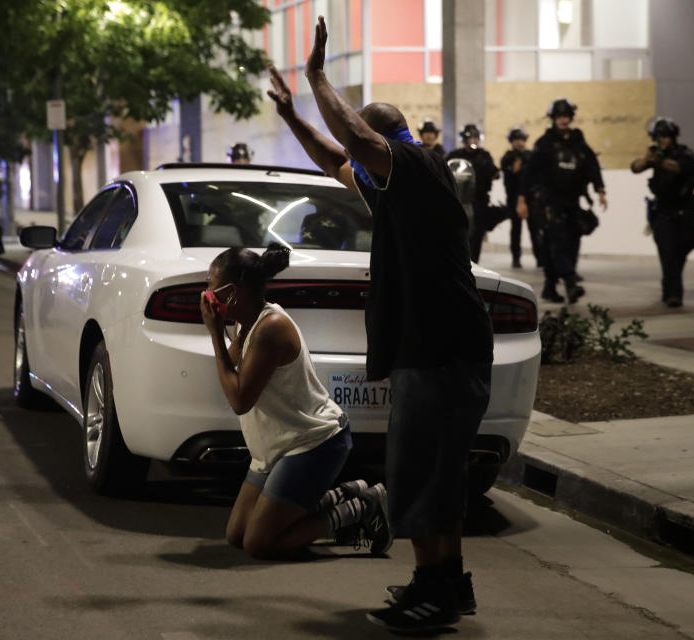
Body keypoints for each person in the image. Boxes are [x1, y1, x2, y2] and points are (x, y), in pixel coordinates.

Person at [267, 17, 493, 633]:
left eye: (373, 149)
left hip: (443, 353)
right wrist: (292, 118)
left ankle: (437, 596)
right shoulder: (394, 188)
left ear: (388, 143)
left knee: (421, 474)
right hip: (437, 352)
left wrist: (315, 77)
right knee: (431, 474)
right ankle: (442, 583)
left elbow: (356, 140)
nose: (360, 166)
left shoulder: (416, 167)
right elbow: (340, 158)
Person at [200, 244, 391, 560]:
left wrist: (214, 336)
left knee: (258, 543)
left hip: (312, 443)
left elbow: (239, 400)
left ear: (231, 292)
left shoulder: (270, 328)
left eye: (211, 287)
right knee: (237, 534)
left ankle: (361, 508)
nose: (206, 295)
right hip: (277, 445)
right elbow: (230, 372)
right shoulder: (246, 324)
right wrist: (222, 333)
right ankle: (345, 494)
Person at [516, 98, 606, 303]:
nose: (563, 120)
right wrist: (522, 200)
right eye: (559, 116)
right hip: (549, 201)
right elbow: (528, 173)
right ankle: (570, 281)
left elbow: (592, 164)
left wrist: (600, 189)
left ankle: (550, 286)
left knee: (571, 241)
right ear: (553, 119)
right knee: (556, 240)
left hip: (572, 200)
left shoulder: (578, 142)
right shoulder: (544, 143)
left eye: (566, 116)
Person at [631, 118, 694, 307]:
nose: (663, 140)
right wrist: (647, 159)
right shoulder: (656, 155)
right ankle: (674, 294)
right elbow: (635, 167)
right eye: (659, 136)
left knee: (679, 253)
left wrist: (658, 161)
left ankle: (669, 286)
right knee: (667, 252)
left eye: (666, 136)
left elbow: (678, 168)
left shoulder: (684, 153)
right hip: (663, 211)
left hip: (685, 211)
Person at [446, 124, 501, 263]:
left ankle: (474, 262)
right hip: (459, 201)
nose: (473, 141)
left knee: (476, 236)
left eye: (475, 138)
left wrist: (487, 168)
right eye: (470, 138)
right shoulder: (455, 155)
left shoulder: (484, 155)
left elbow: (495, 173)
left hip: (479, 201)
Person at [501, 127, 544, 269]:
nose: (519, 143)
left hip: (531, 198)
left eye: (522, 140)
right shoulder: (508, 157)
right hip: (513, 198)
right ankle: (516, 258)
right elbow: (511, 172)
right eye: (516, 140)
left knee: (535, 229)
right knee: (516, 230)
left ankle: (540, 258)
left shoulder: (531, 156)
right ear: (512, 141)